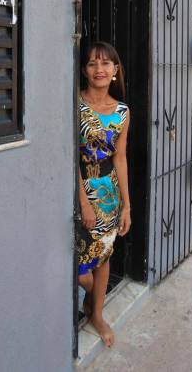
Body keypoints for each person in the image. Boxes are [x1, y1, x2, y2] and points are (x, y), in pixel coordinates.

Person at [76, 41, 131, 348]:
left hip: (109, 191)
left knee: (105, 255)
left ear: (115, 70)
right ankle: (88, 296)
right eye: (93, 63)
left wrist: (127, 207)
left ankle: (96, 314)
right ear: (85, 70)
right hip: (79, 188)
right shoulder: (75, 106)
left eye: (106, 63)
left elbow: (120, 158)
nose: (99, 69)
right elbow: (70, 156)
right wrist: (83, 201)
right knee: (81, 265)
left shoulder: (122, 112)